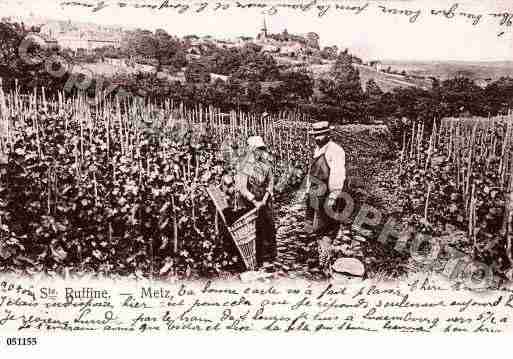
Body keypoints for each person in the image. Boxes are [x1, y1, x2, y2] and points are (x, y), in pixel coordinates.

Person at [234, 136, 277, 269]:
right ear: (251, 150)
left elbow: (270, 181)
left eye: (261, 149)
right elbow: (242, 187)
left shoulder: (265, 164)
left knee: (268, 225)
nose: (259, 152)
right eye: (257, 150)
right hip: (249, 203)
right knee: (255, 229)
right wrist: (254, 201)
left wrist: (265, 198)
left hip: (264, 200)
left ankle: (269, 257)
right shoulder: (245, 165)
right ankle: (257, 259)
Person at [305, 121, 347, 240]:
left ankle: (326, 252)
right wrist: (308, 189)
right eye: (315, 135)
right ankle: (318, 250)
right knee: (315, 226)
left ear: (328, 134)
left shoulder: (335, 150)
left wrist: (333, 196)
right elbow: (312, 172)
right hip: (315, 193)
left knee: (326, 228)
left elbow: (337, 175)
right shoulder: (318, 149)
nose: (317, 138)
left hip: (327, 194)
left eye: (320, 134)